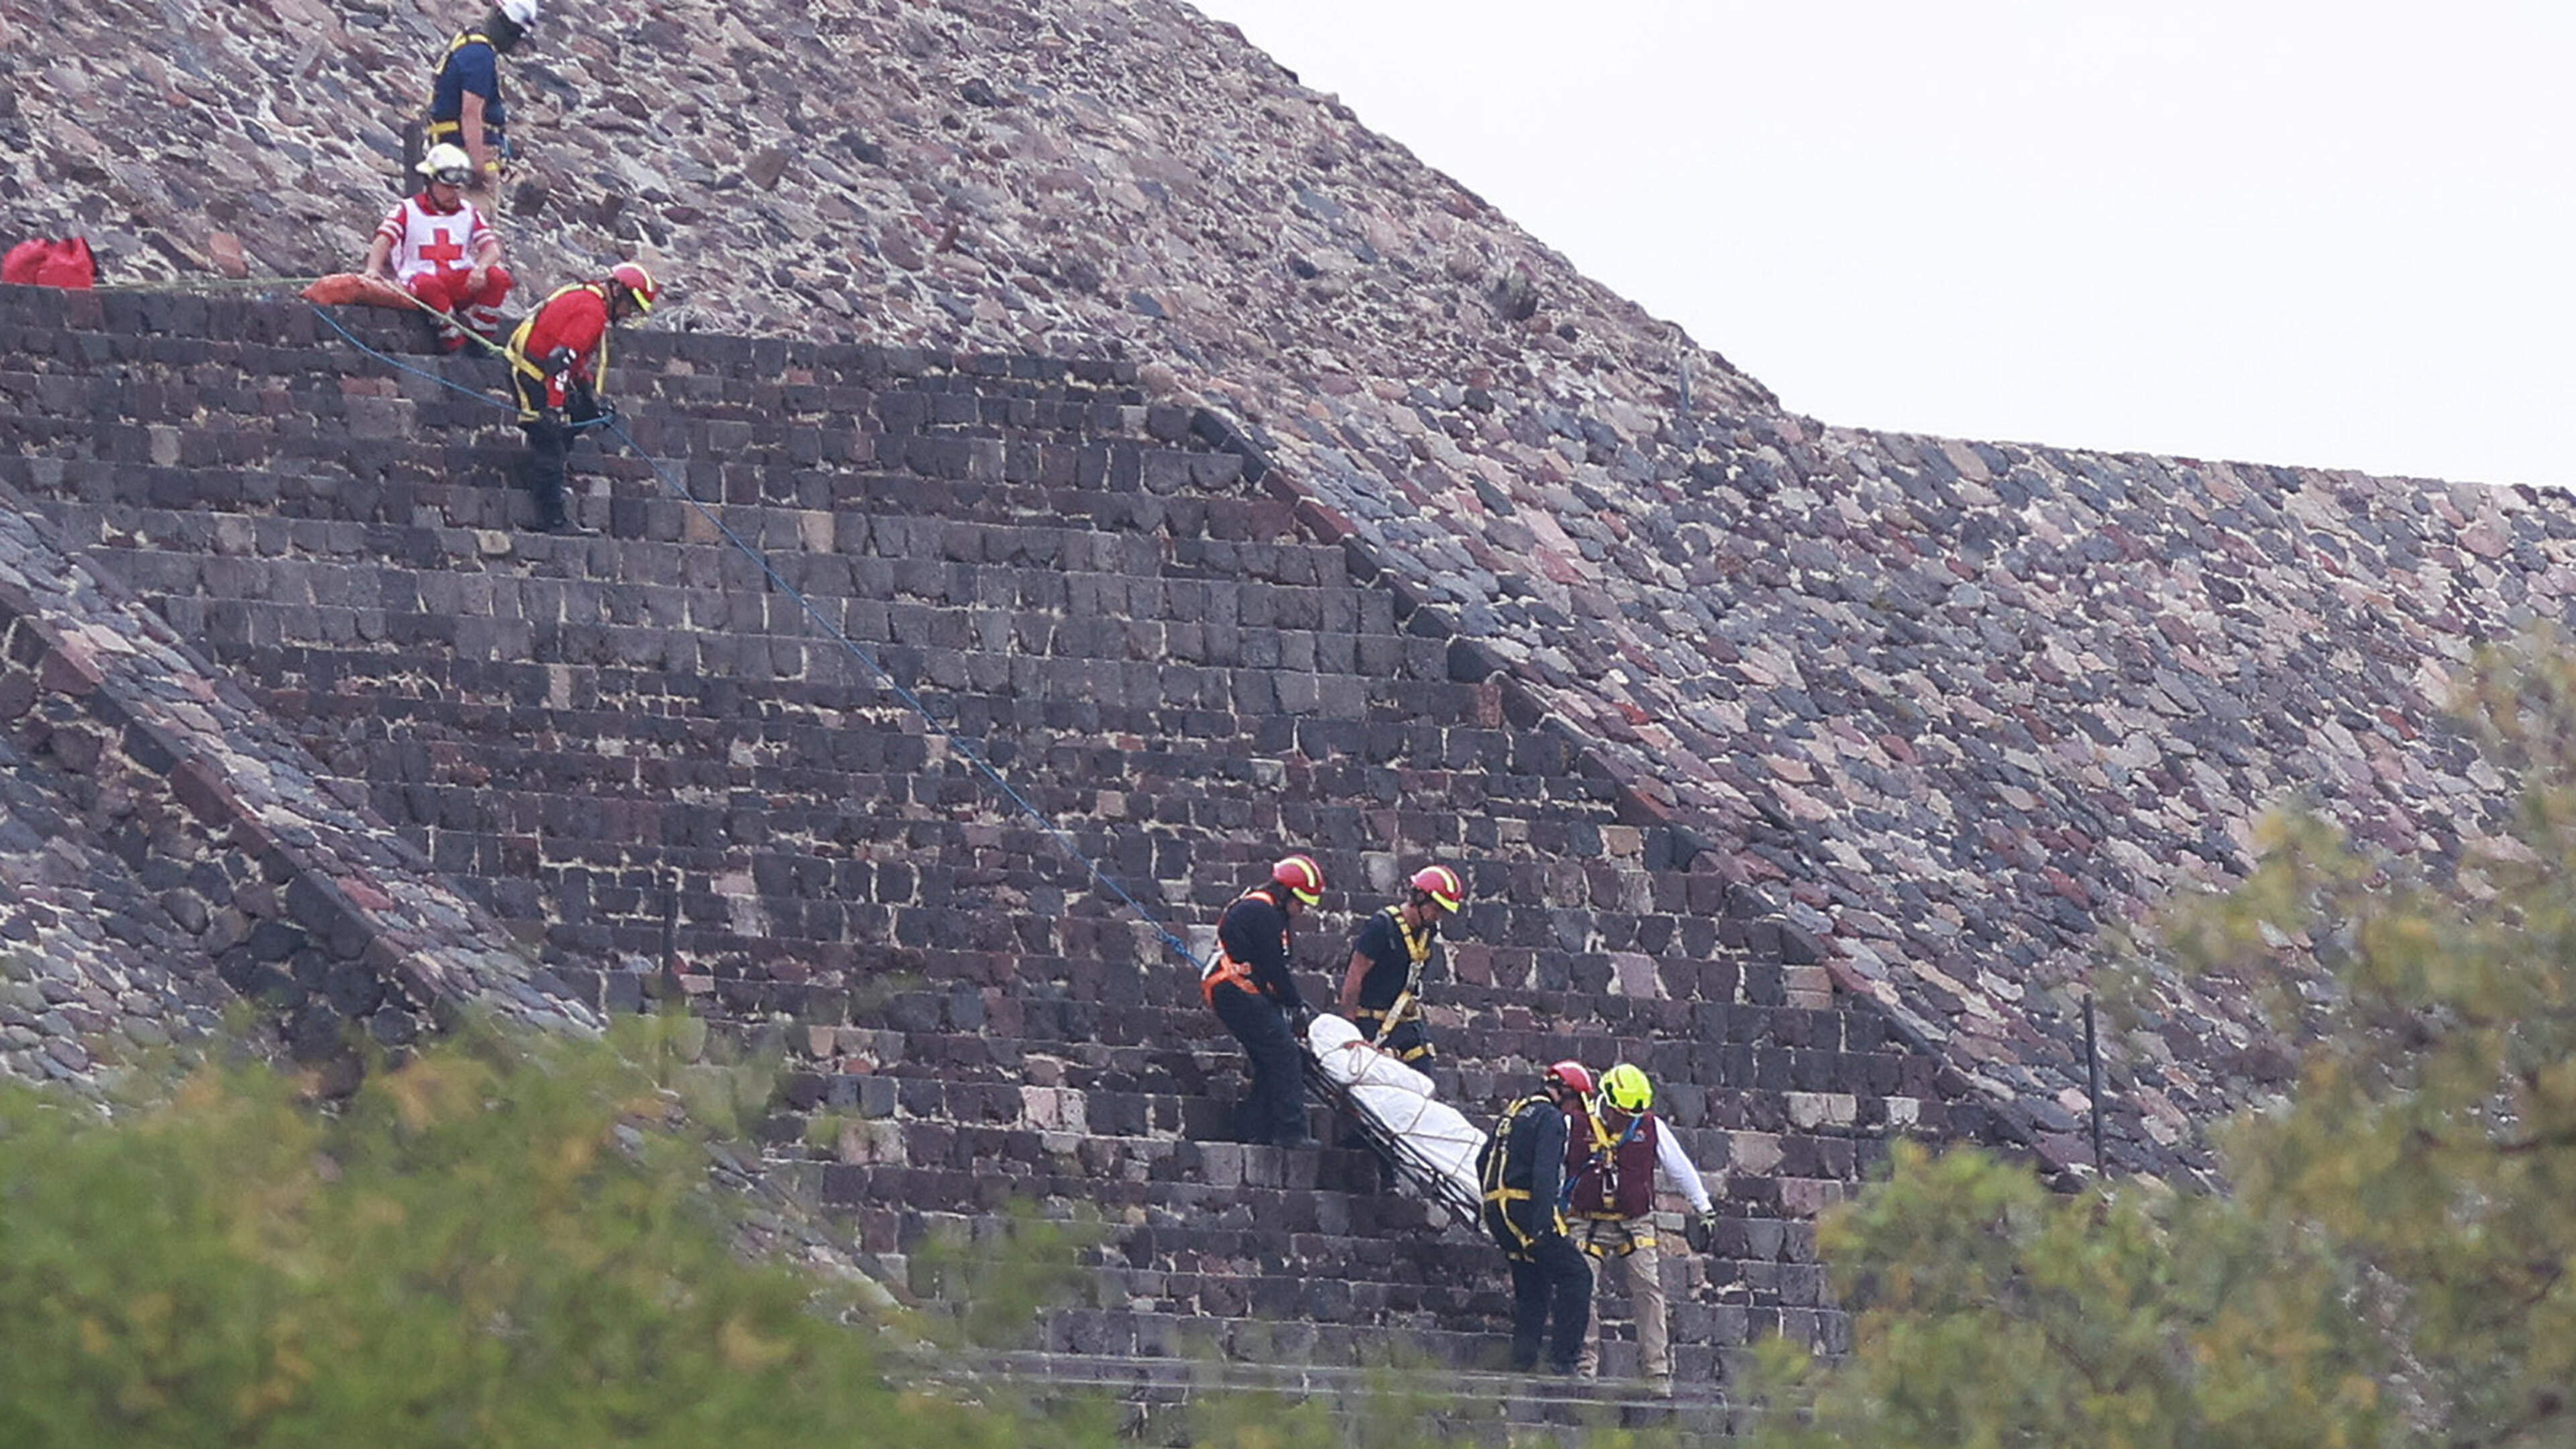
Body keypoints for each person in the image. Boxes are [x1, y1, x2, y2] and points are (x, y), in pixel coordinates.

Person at [1564, 1062, 1717, 1396]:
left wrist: (1703, 1206)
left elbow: (1679, 1168)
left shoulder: (1650, 1127)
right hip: (1585, 1219)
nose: (1625, 1121)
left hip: (1635, 1222)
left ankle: (1656, 1372)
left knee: (1649, 1288)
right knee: (1581, 1289)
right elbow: (1550, 1165)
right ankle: (1584, 1366)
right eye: (1619, 1114)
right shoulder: (1573, 1125)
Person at [503, 262, 658, 533]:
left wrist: (589, 395)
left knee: (582, 413)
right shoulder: (592, 313)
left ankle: (549, 463)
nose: (628, 314)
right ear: (618, 291)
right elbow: (559, 362)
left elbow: (574, 358)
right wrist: (553, 406)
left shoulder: (588, 296)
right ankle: (552, 518)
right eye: (630, 306)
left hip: (545, 370)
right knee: (549, 440)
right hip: (531, 373)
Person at [1201, 855, 1324, 1148]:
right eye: (1300, 901)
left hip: (1240, 990)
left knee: (1270, 1059)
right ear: (1285, 893)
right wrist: (1294, 1004)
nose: (1301, 909)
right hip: (1235, 989)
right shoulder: (1262, 912)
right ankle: (1291, 1131)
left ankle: (1254, 1128)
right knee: (1285, 1054)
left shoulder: (1268, 911)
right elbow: (1273, 966)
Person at [1480, 1060, 1594, 1375]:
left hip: (1497, 1212)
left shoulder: (1513, 1113)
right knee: (1577, 1276)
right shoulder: (1550, 1119)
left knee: (1534, 1287)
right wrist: (1544, 1226)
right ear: (1567, 1093)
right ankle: (1564, 1363)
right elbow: (1545, 1174)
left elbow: (1482, 1159)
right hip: (1527, 1211)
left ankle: (1523, 1362)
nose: (1574, 1113)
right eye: (1576, 1104)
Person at [363, 143, 513, 353]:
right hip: (421, 279)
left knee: (499, 277)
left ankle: (480, 338)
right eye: (448, 187)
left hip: (460, 280)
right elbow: (383, 239)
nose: (454, 193)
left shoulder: (469, 212)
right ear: (431, 182)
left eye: (458, 188)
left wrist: (480, 269)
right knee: (428, 285)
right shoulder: (407, 209)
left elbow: (492, 249)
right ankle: (454, 343)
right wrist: (373, 270)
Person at [1337, 865, 1463, 1067]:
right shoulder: (1381, 927)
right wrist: (1349, 1027)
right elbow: (1355, 975)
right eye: (1437, 908)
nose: (1439, 916)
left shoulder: (1426, 933)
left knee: (1423, 1075)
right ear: (1420, 898)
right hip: (1371, 1022)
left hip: (1404, 1022)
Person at [420, 0, 540, 200]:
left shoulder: (469, 44)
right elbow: (471, 114)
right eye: (514, 32)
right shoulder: (480, 55)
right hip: (465, 162)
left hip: (453, 157)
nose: (513, 41)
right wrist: (478, 171)